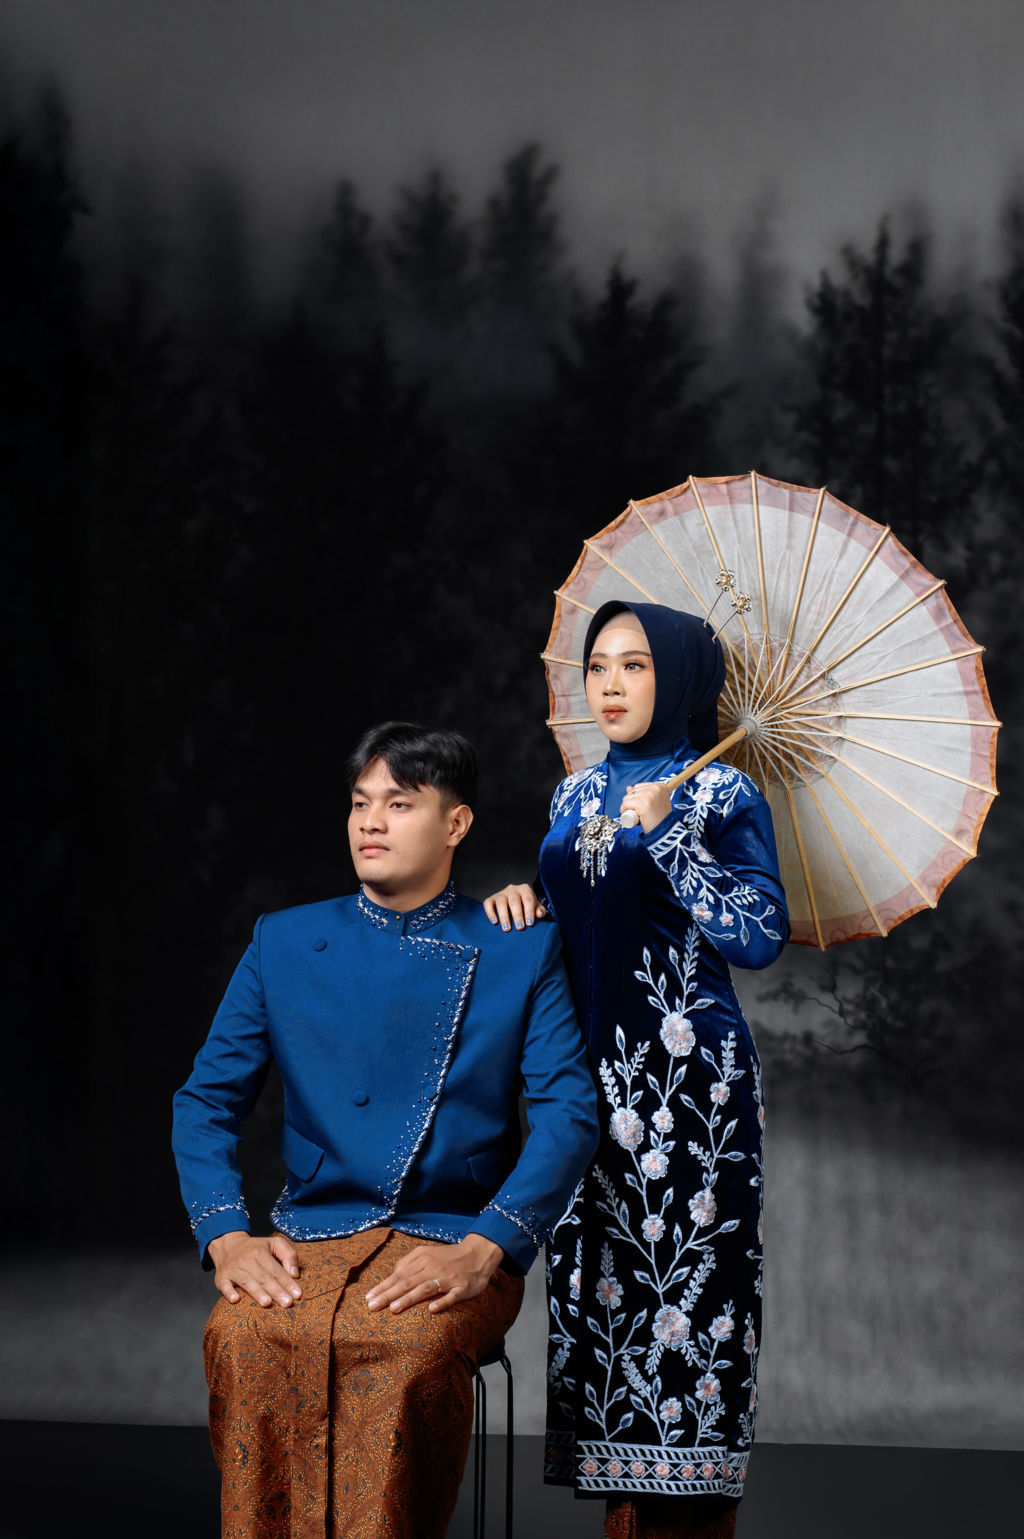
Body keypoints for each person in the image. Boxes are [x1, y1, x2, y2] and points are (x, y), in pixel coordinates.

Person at [173, 721, 599, 1539]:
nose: (370, 820)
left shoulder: (519, 947)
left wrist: (487, 1248)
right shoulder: (282, 940)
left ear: (456, 822)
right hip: (311, 1231)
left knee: (405, 1350)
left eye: (400, 803)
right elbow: (204, 1101)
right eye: (360, 802)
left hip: (455, 1239)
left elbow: (569, 1115)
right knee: (242, 1333)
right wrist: (225, 1235)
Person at [485, 602, 789, 1539]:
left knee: (685, 1314)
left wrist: (670, 835)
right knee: (604, 1309)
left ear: (682, 679)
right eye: (599, 665)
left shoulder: (722, 792)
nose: (610, 685)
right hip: (586, 1094)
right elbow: (584, 921)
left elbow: (759, 936)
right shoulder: (570, 795)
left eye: (636, 665)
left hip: (690, 1100)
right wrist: (527, 899)